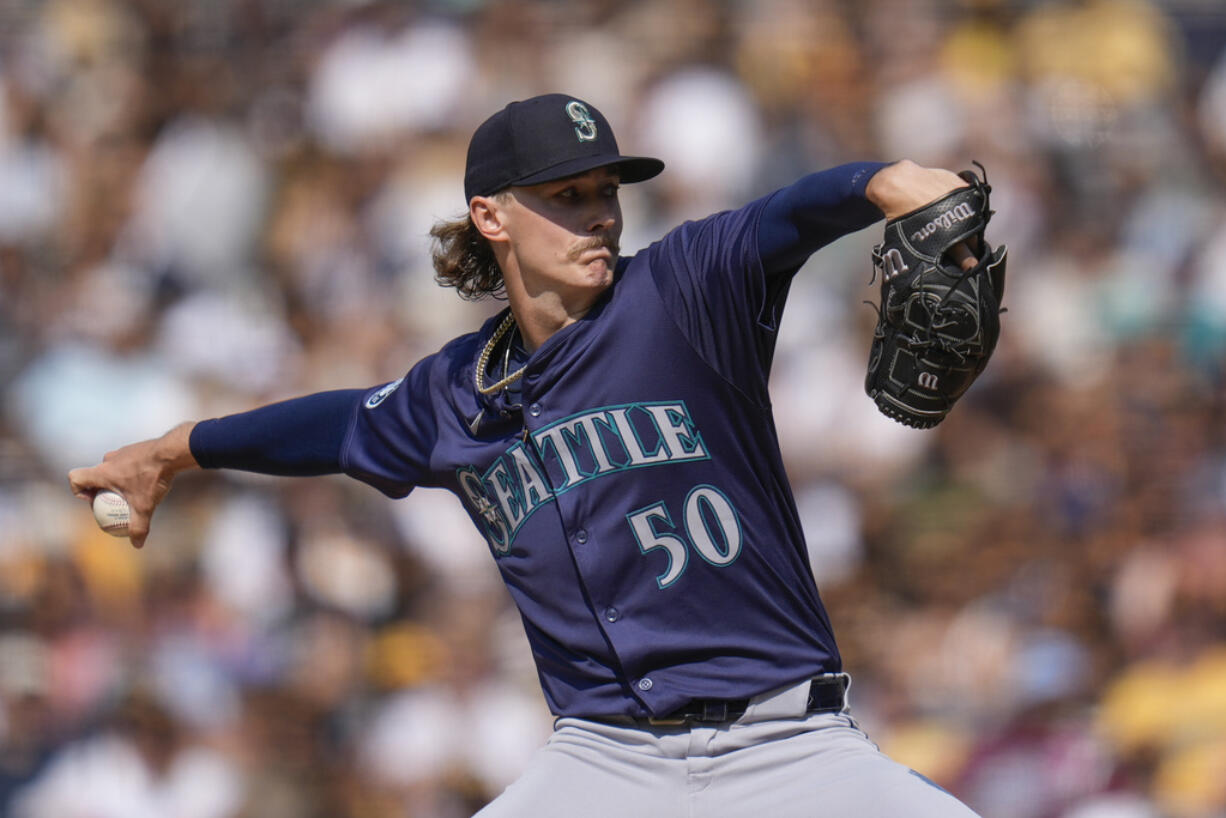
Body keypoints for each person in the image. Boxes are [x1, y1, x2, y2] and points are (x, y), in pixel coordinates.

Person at [70, 93, 986, 816]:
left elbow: (786, 216)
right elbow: (335, 426)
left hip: (788, 746)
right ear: (491, 217)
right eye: (567, 197)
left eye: (605, 195)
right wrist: (176, 451)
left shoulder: (682, 292)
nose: (600, 219)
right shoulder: (454, 392)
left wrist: (884, 182)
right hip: (604, 759)